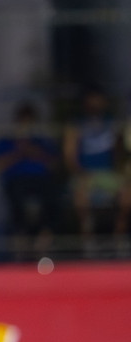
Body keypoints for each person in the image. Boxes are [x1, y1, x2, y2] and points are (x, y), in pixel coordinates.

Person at [0, 102, 62, 251]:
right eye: (23, 122)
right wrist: (18, 153)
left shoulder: (42, 141)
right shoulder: (6, 141)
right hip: (16, 182)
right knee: (16, 201)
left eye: (30, 122)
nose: (27, 126)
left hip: (41, 181)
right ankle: (21, 241)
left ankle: (44, 240)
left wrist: (33, 151)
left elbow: (55, 165)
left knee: (53, 198)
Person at [64, 89, 131, 253]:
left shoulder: (112, 122)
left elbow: (119, 153)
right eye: (92, 99)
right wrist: (80, 173)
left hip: (108, 175)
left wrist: (120, 172)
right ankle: (89, 241)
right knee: (81, 194)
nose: (95, 103)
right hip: (85, 174)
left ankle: (118, 240)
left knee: (127, 194)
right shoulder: (76, 124)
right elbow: (69, 155)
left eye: (98, 99)